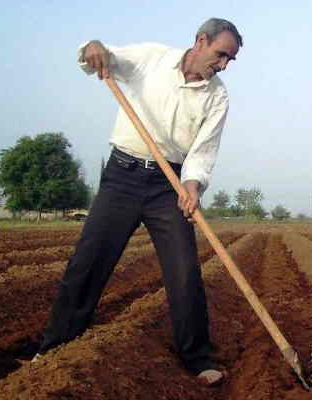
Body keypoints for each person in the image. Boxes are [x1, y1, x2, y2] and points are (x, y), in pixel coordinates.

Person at [34, 18, 243, 387]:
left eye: (229, 60)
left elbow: (203, 151)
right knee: (89, 260)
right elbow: (99, 57)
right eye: (221, 54)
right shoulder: (151, 58)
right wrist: (92, 46)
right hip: (123, 177)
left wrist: (192, 185)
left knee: (184, 270)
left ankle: (196, 357)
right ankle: (54, 347)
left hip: (169, 185)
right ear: (200, 41)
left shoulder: (218, 95)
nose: (223, 65)